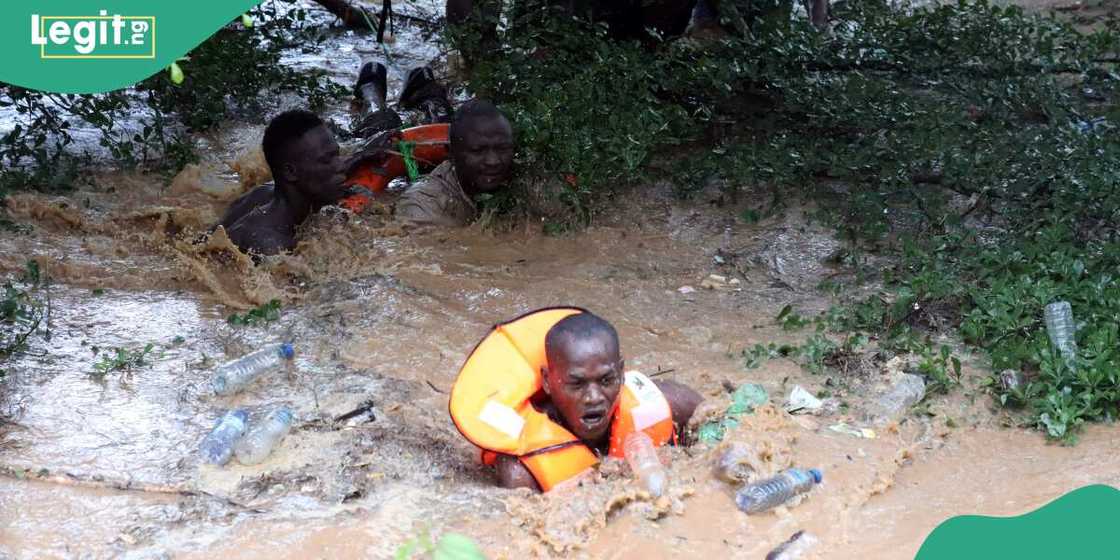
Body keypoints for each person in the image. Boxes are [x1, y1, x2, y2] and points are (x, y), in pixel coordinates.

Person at [449, 308, 703, 492]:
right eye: (577, 383)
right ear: (548, 382)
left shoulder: (672, 402)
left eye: (606, 380)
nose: (594, 398)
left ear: (622, 373)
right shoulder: (522, 472)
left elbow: (730, 426)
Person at [216, 110, 347, 255]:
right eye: (326, 160)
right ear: (290, 172)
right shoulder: (269, 245)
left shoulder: (265, 193)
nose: (341, 166)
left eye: (337, 155)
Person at [391, 98, 516, 228]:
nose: (493, 161)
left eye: (502, 148)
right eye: (478, 151)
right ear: (451, 153)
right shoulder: (423, 205)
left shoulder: (521, 177)